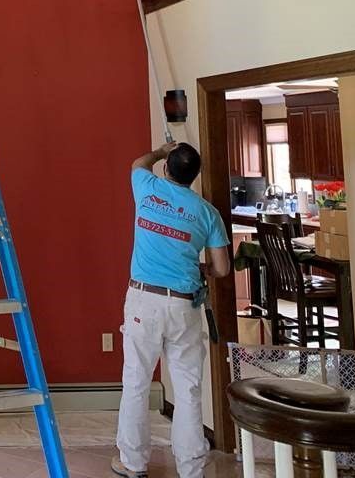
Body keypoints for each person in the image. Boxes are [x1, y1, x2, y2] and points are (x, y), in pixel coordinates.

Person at [112, 142, 232, 478]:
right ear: (196, 175)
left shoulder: (147, 188)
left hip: (143, 301)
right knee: (188, 388)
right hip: (183, 306)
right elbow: (222, 268)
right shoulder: (207, 213)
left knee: (136, 382)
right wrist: (202, 269)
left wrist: (162, 150)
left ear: (166, 169)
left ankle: (133, 464)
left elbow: (139, 161)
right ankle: (191, 469)